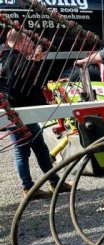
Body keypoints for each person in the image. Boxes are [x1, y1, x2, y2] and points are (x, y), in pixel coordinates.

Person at [0, 29, 67, 199]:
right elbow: (28, 81)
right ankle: (30, 188)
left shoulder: (7, 56)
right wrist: (36, 60)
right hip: (18, 113)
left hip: (20, 112)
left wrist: (33, 60)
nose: (32, 46)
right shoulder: (13, 58)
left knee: (40, 148)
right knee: (22, 151)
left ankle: (54, 182)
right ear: (20, 43)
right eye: (29, 42)